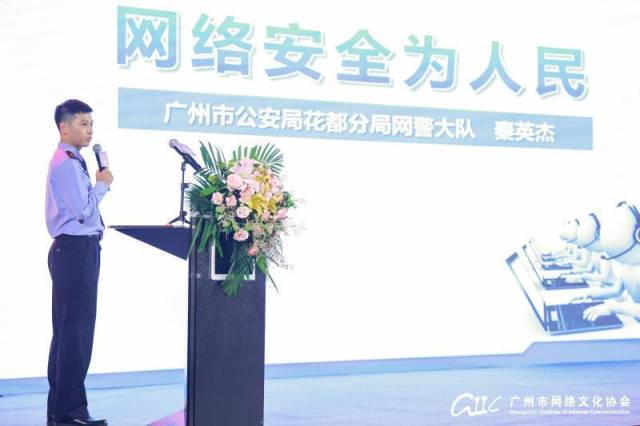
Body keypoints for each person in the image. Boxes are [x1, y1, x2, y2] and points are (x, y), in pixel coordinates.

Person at [45, 99, 113, 426]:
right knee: (75, 333)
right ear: (64, 127)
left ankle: (61, 409)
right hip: (76, 251)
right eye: (83, 124)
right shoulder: (67, 162)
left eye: (91, 124)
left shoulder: (71, 160)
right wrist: (103, 185)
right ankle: (70, 412)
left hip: (74, 251)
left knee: (68, 332)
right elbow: (84, 211)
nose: (89, 130)